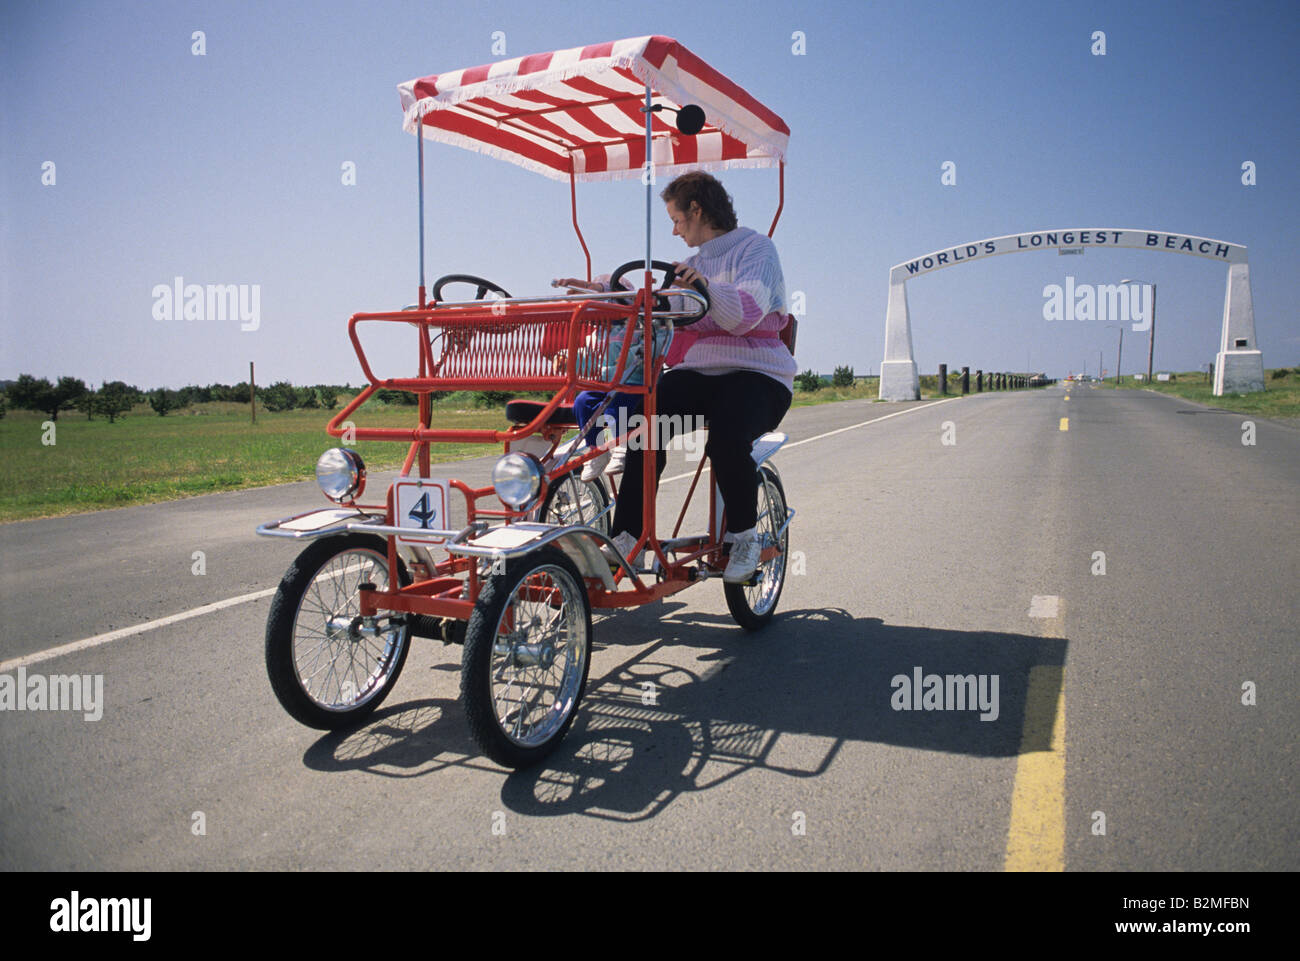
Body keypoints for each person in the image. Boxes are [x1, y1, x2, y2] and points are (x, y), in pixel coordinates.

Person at [604, 170, 796, 583]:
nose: (674, 231)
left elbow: (745, 314)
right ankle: (628, 538)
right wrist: (612, 292)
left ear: (697, 210)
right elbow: (662, 317)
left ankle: (743, 537)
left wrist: (705, 288)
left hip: (759, 375)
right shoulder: (688, 267)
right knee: (644, 423)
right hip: (700, 375)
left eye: (676, 220)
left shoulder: (757, 249)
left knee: (726, 437)